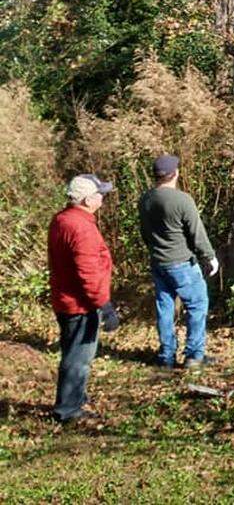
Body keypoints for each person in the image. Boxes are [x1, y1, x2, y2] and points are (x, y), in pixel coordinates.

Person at [47, 173, 119, 424]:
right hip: (80, 304)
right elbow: (88, 273)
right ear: (88, 199)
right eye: (100, 194)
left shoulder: (62, 219)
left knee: (72, 352)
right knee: (79, 359)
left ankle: (75, 397)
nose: (103, 198)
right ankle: (68, 410)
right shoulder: (80, 227)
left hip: (65, 299)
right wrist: (105, 306)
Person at [138, 154, 218, 369]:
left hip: (158, 262)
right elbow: (196, 233)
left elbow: (145, 233)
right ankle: (194, 356)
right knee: (197, 305)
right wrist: (209, 256)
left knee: (165, 309)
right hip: (182, 263)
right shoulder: (182, 200)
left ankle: (166, 357)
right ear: (175, 174)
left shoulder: (145, 199)